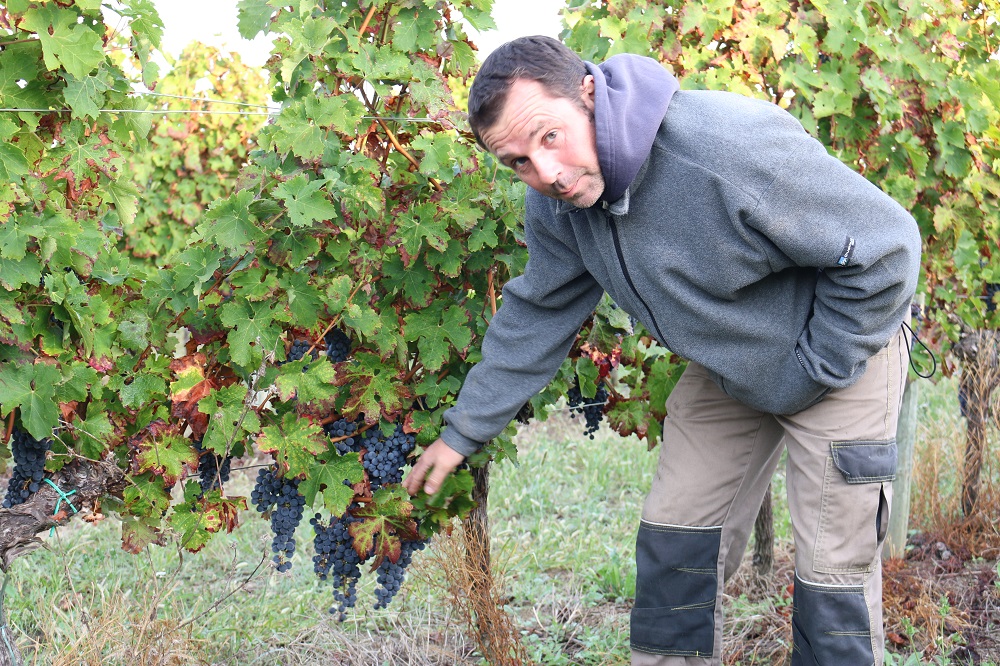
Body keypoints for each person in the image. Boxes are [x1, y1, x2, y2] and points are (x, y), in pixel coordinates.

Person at [402, 35, 921, 666]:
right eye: (518, 162)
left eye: (549, 137)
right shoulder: (561, 204)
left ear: (588, 93)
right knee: (676, 550)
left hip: (842, 356)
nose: (547, 175)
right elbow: (538, 312)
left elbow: (888, 247)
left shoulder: (724, 147)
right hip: (732, 365)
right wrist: (462, 433)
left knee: (829, 575)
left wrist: (818, 366)